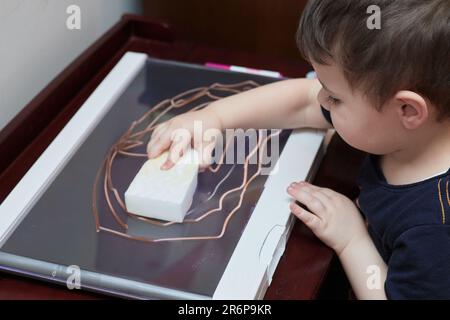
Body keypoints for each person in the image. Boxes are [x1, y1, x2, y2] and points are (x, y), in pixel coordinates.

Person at [146, 0, 450, 299]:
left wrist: (352, 239)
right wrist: (212, 118)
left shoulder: (434, 232)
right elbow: (304, 101)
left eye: (334, 97)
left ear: (408, 110)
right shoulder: (399, 121)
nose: (322, 100)